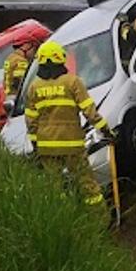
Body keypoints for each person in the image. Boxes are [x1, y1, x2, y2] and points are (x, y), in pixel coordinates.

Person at [24, 39, 112, 207]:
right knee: (88, 186)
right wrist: (107, 131)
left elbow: (31, 121)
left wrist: (36, 146)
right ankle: (99, 221)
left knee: (55, 188)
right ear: (60, 59)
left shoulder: (34, 87)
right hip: (72, 145)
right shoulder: (73, 82)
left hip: (47, 147)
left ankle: (67, 222)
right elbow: (90, 112)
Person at [2, 33, 42, 112]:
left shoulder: (11, 58)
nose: (34, 53)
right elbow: (23, 83)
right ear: (27, 46)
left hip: (10, 98)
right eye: (34, 49)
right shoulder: (20, 61)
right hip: (19, 100)